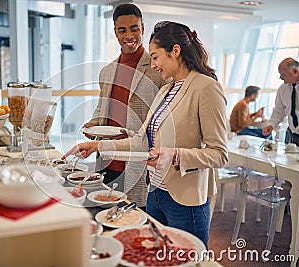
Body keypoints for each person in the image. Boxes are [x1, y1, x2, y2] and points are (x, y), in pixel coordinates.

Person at [63, 21, 228, 248]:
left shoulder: (206, 87)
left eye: (155, 57)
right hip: (155, 194)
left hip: (185, 199)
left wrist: (176, 155)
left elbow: (219, 154)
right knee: (156, 255)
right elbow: (141, 142)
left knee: (188, 259)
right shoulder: (165, 90)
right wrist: (98, 146)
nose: (152, 65)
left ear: (176, 51)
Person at [82, 4, 166, 208]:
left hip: (137, 160)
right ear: (115, 32)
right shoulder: (107, 71)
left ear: (143, 29)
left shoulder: (158, 68)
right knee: (104, 210)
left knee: (136, 214)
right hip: (107, 158)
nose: (129, 35)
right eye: (122, 30)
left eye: (134, 28)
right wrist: (93, 124)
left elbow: (165, 116)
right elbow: (103, 108)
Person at [263, 58, 299, 145]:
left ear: (295, 71)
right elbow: (278, 111)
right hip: (292, 135)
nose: (280, 78)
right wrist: (271, 125)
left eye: (283, 74)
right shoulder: (283, 89)